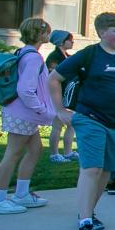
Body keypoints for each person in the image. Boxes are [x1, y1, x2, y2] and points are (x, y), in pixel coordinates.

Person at [49, 12, 115, 230]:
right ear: (101, 33)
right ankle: (85, 222)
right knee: (92, 167)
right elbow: (53, 78)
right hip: (90, 117)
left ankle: (89, 212)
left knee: (106, 171)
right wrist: (60, 110)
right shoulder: (88, 55)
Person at [0, 17, 57, 214]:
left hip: (22, 113)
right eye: (47, 32)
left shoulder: (24, 52)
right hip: (23, 113)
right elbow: (26, 90)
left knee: (35, 149)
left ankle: (22, 194)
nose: (48, 35)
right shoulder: (33, 57)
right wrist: (43, 110)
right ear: (40, 34)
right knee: (13, 153)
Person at [45, 29, 77, 163]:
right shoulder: (54, 58)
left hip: (69, 95)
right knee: (57, 125)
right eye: (70, 39)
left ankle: (68, 152)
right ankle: (54, 154)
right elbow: (54, 77)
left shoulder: (68, 57)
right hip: (58, 95)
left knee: (71, 124)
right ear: (61, 41)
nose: (72, 42)